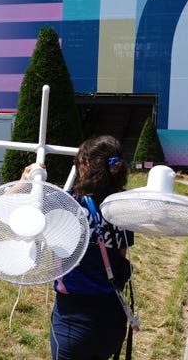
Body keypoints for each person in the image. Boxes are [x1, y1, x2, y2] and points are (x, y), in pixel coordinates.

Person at [21, 135, 134, 360]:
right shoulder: (123, 205)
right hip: (113, 318)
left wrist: (27, 181)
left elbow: (15, 215)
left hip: (74, 318)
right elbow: (121, 254)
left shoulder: (67, 203)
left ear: (86, 165)